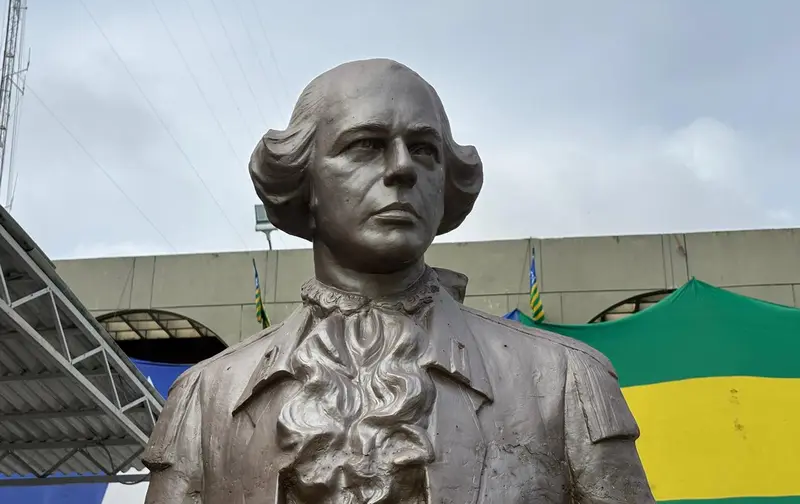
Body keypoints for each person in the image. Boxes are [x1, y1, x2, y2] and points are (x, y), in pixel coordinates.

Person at [143, 59, 654, 504]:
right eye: (365, 146)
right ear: (305, 180)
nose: (403, 168)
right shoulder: (206, 399)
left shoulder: (565, 381)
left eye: (425, 149)